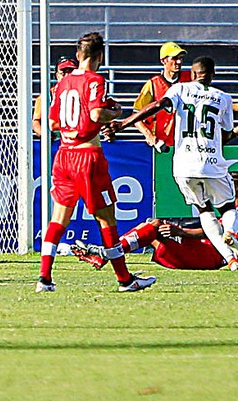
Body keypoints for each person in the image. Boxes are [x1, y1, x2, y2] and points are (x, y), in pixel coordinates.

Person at [37, 31, 156, 293]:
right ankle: (125, 280)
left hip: (64, 155)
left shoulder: (63, 84)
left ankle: (44, 278)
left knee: (58, 218)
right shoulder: (95, 81)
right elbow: (96, 112)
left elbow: (54, 123)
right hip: (87, 157)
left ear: (79, 55)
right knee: (106, 220)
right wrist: (115, 111)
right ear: (99, 56)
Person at [108, 56, 238, 271]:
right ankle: (230, 232)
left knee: (203, 209)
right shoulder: (223, 98)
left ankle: (231, 259)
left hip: (184, 165)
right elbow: (225, 134)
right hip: (212, 162)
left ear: (193, 74)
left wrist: (123, 123)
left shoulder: (180, 89)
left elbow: (159, 105)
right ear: (213, 75)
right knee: (226, 207)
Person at [72, 217, 237, 271]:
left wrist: (180, 232)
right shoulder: (231, 209)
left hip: (208, 256)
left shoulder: (233, 212)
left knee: (153, 227)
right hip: (202, 251)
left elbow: (216, 232)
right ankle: (106, 255)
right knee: (151, 226)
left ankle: (106, 254)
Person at [132, 41, 191, 152]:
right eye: (174, 58)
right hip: (162, 146)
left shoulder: (190, 79)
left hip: (187, 145)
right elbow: (136, 116)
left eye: (181, 58)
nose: (178, 61)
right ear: (163, 61)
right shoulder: (152, 84)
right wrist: (150, 137)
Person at [32, 56, 77, 138]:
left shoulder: (83, 93)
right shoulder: (47, 96)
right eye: (63, 73)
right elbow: (36, 122)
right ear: (57, 75)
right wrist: (45, 135)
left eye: (70, 72)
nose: (67, 76)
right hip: (54, 140)